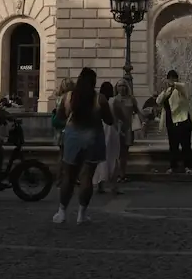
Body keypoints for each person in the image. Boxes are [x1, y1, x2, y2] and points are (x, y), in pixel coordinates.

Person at [53, 68, 106, 225]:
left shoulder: (68, 97)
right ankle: (82, 214)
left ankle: (62, 212)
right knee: (87, 177)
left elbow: (59, 118)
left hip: (72, 137)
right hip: (93, 137)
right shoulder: (99, 99)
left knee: (68, 176)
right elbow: (109, 120)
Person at [99, 81, 138, 193]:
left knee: (101, 157)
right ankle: (113, 186)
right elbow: (120, 116)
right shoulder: (114, 101)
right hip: (112, 129)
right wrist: (124, 127)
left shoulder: (98, 100)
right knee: (114, 156)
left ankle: (100, 184)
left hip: (101, 129)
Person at [159, 69, 192, 175]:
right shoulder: (167, 91)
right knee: (173, 145)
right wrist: (166, 91)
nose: (171, 80)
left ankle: (188, 167)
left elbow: (182, 87)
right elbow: (158, 101)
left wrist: (173, 84)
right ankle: (173, 166)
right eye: (170, 78)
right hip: (171, 122)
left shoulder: (181, 89)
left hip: (184, 121)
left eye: (174, 78)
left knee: (186, 145)